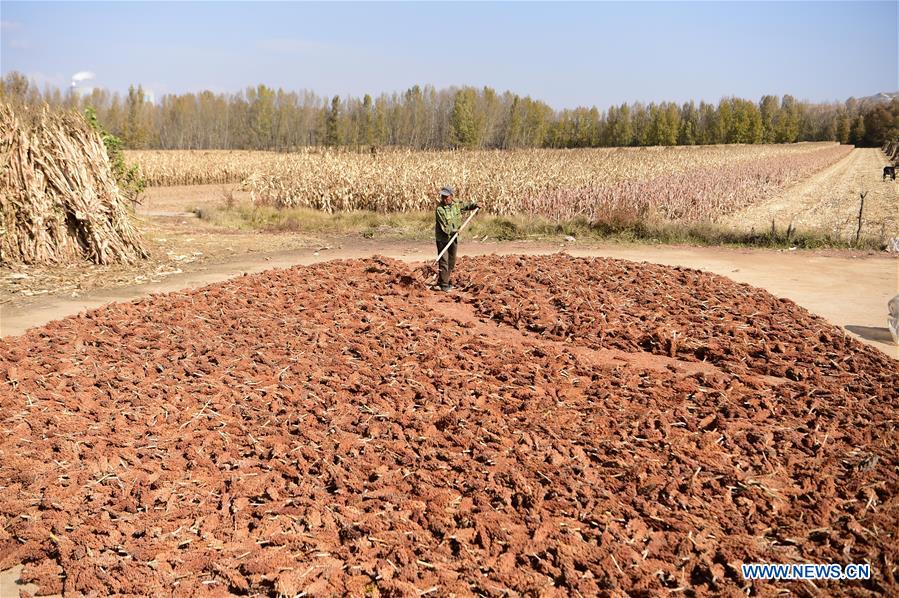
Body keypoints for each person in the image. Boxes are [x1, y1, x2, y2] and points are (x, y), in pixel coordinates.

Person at [434, 185, 478, 291]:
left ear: (452, 196)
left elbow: (466, 206)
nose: (444, 199)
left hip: (454, 237)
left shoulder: (456, 203)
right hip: (443, 238)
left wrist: (475, 205)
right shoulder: (440, 209)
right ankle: (444, 285)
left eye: (446, 197)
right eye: (442, 197)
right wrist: (454, 231)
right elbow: (444, 226)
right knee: (444, 260)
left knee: (451, 260)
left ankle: (443, 280)